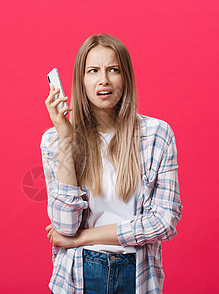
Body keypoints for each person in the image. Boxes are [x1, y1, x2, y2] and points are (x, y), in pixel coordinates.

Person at [41, 34, 182, 294]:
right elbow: (64, 226)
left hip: (136, 275)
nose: (103, 79)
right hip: (78, 276)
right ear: (80, 81)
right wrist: (66, 139)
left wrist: (85, 237)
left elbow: (164, 221)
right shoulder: (54, 140)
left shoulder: (157, 135)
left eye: (113, 70)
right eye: (93, 70)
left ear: (125, 77)